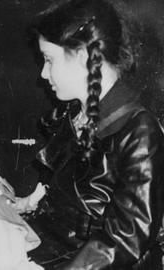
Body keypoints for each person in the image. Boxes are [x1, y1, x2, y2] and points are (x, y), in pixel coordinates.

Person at [29, 0, 164, 268]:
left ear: (81, 56)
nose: (43, 74)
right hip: (57, 250)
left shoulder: (138, 130)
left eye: (48, 60)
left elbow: (127, 240)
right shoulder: (72, 114)